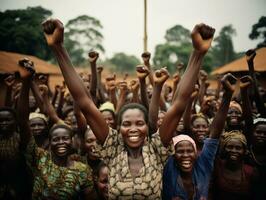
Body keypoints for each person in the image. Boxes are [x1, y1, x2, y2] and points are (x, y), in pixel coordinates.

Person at [42, 18, 214, 199]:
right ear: (119, 126)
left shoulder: (156, 147)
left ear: (147, 127)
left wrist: (198, 53)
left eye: (139, 123)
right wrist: (58, 48)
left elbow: (178, 106)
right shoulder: (112, 147)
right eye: (127, 123)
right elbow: (85, 102)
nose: (133, 128)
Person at [17, 58, 94, 199]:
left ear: (72, 141)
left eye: (65, 138)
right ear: (50, 141)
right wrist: (26, 81)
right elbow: (22, 121)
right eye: (56, 139)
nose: (61, 142)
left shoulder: (83, 170)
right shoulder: (39, 158)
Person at [163, 73, 236, 200]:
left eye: (189, 151)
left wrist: (228, 95)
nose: (186, 155)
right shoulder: (167, 167)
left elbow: (214, 134)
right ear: (173, 154)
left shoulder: (203, 164)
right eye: (180, 151)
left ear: (196, 152)